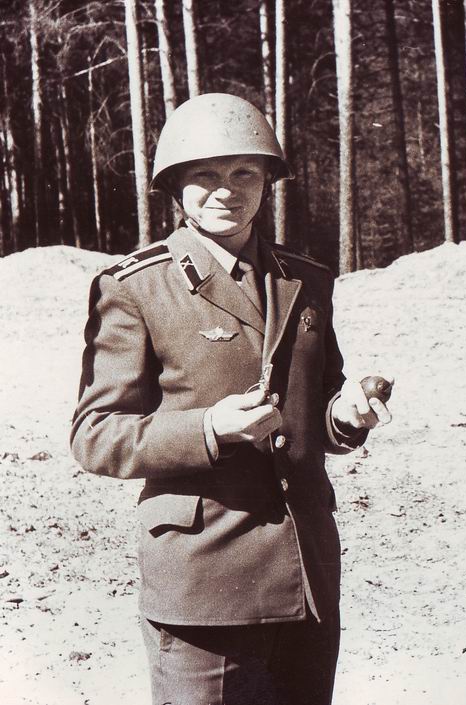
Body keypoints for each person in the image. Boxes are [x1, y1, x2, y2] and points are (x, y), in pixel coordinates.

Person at [70, 93, 392, 705]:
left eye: (245, 172)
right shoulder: (137, 287)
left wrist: (345, 417)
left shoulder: (307, 279)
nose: (226, 190)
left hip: (305, 575)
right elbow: (95, 435)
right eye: (205, 175)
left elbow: (316, 407)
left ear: (268, 180)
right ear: (176, 187)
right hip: (204, 579)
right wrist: (209, 430)